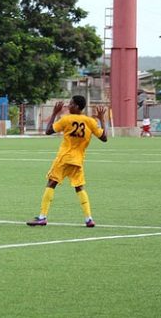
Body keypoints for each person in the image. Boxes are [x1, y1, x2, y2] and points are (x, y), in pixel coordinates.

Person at [27, 96, 107, 228]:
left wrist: (54, 113)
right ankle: (89, 219)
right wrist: (102, 119)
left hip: (64, 158)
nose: (68, 106)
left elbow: (48, 131)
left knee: (51, 183)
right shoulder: (90, 121)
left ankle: (42, 217)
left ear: (76, 106)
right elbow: (104, 138)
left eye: (71, 104)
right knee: (79, 187)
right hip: (78, 160)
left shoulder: (66, 120)